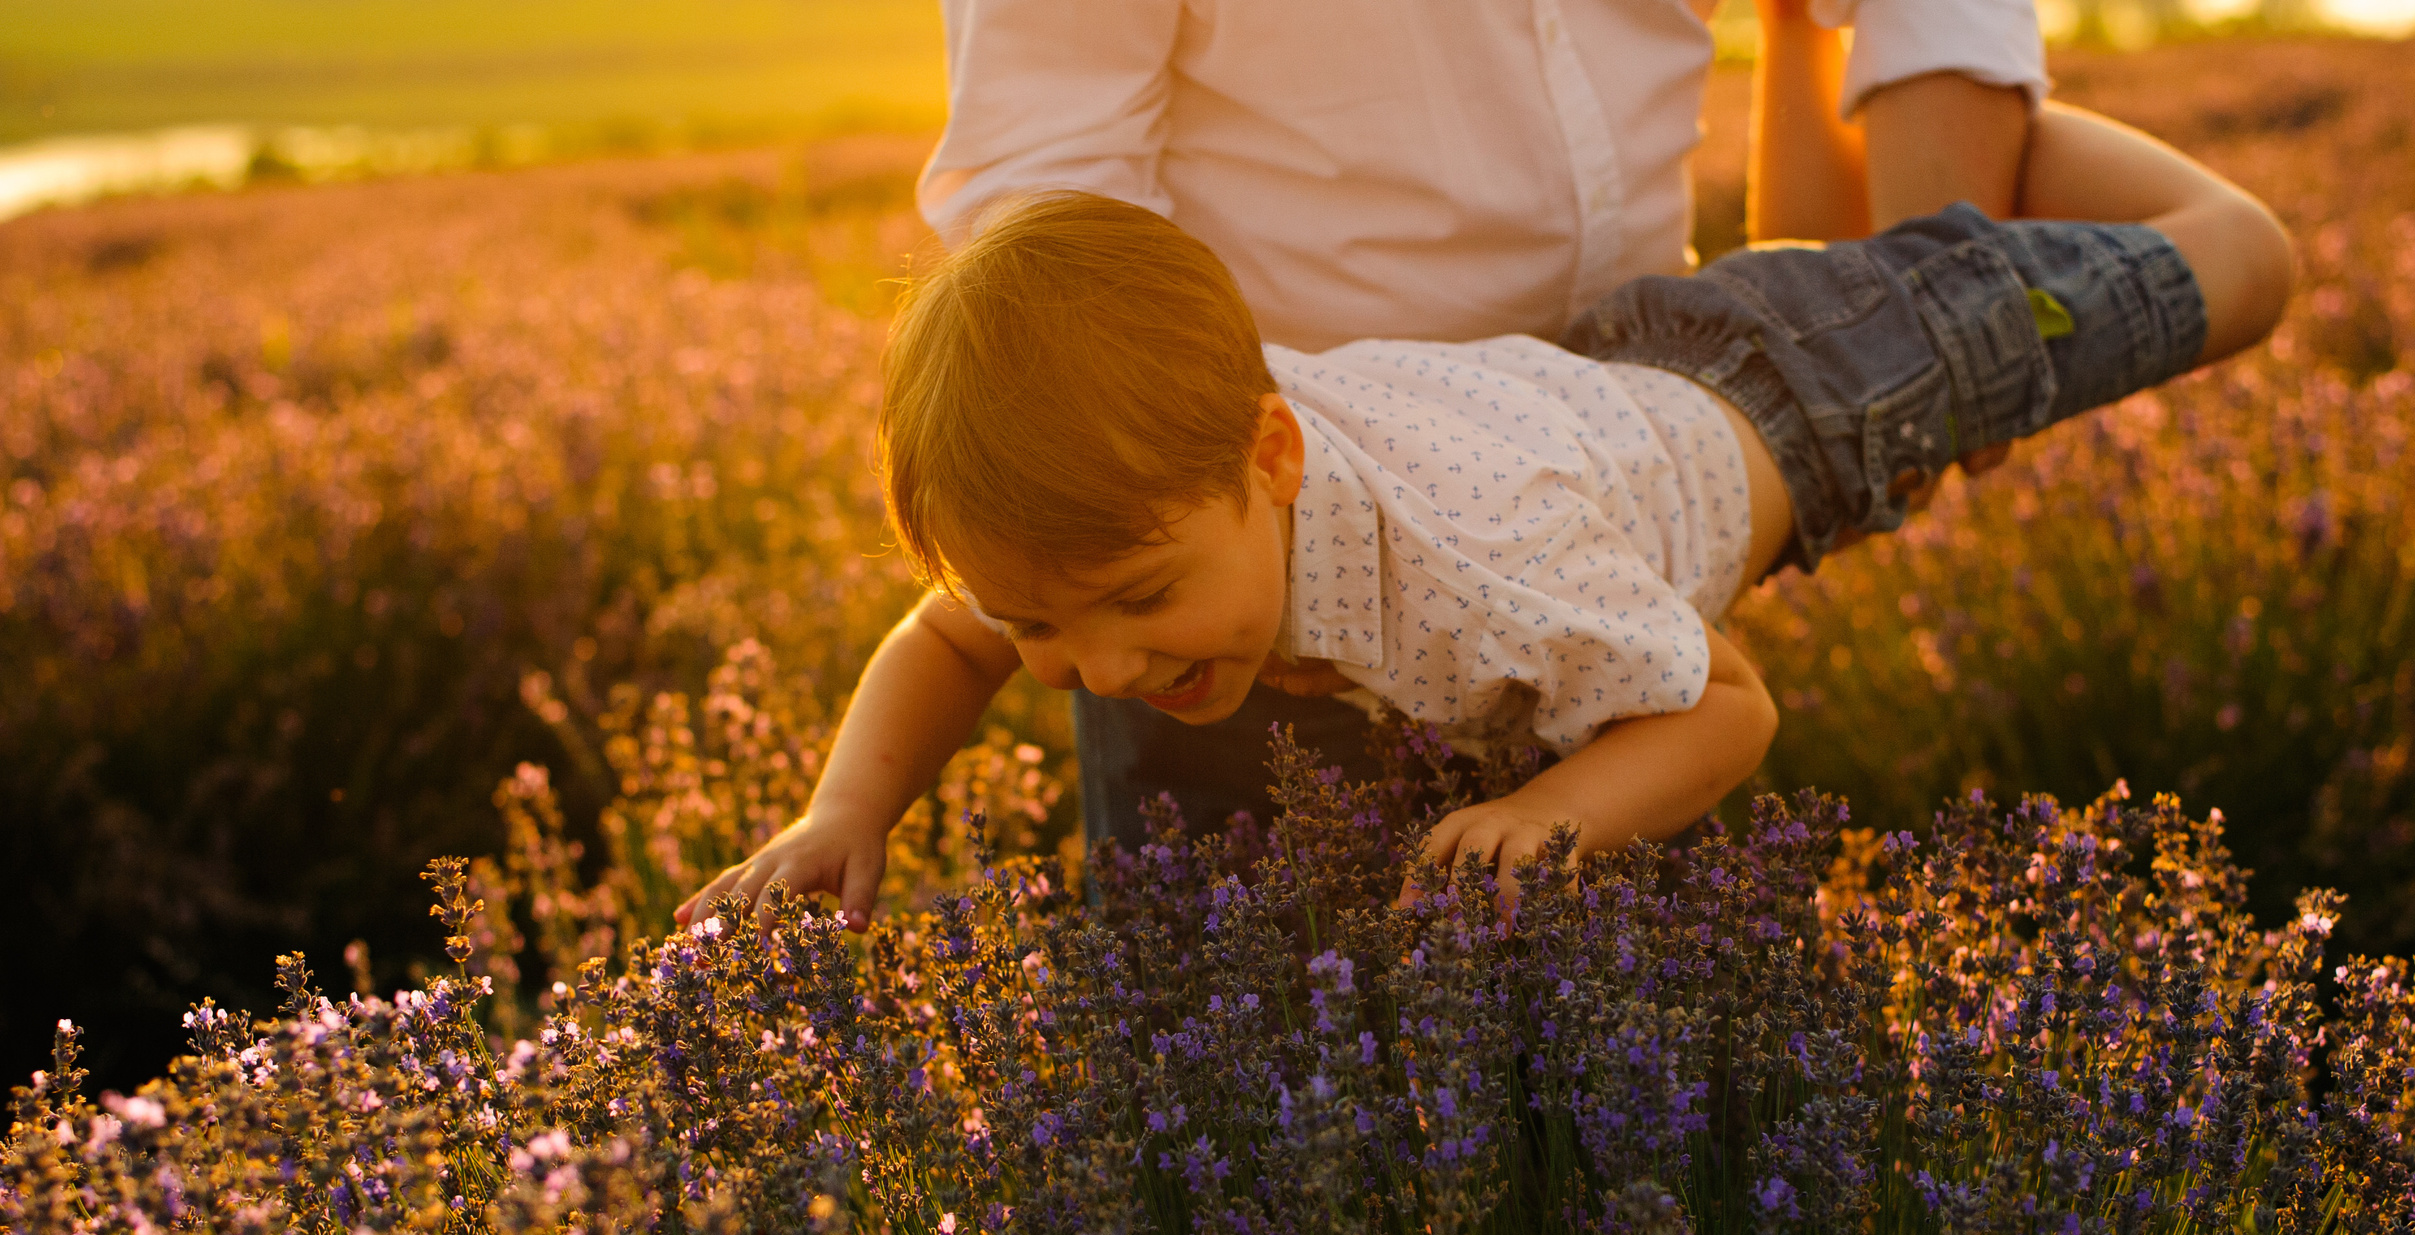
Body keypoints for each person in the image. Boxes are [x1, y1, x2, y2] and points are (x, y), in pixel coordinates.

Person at [675, 104, 2290, 930]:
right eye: (1045, 625)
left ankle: (2015, 166)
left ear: (1274, 459)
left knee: (2236, 272)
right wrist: (845, 811)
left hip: (1818, 396)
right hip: (1596, 379)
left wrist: (1557, 815)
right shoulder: (1129, 510)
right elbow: (948, 632)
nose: (1092, 669)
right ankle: (1908, 171)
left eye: (1133, 601)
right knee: (1862, 240)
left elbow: (1727, 704)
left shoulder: (1477, 583)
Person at [913, 0, 2062, 859]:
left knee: (1650, 1098)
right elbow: (1047, 184)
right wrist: (1279, 531)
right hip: (1234, 568)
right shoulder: (1142, 596)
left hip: (1622, 487)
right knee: (1258, 1110)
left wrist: (1903, 322)